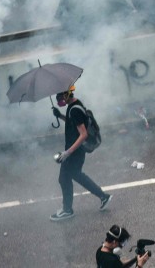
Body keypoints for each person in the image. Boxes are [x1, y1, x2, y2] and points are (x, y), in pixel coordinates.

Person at [50, 86, 111, 221]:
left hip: (74, 152)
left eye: (60, 97)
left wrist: (67, 152)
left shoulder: (74, 109)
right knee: (73, 176)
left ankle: (68, 210)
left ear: (66, 95)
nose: (58, 100)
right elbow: (74, 123)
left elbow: (83, 134)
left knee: (66, 178)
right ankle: (102, 196)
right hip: (75, 151)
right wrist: (59, 115)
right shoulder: (74, 106)